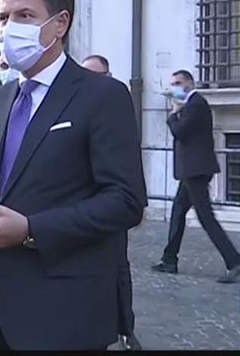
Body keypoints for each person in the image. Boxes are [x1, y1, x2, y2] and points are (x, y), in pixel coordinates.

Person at [0, 0, 147, 350]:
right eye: (3, 18)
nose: (9, 28)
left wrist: (31, 229)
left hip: (64, 310)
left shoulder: (103, 96)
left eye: (25, 15)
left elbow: (126, 201)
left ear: (60, 23)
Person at [151, 69, 240, 283]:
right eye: (172, 84)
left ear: (190, 83)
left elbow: (180, 132)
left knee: (205, 217)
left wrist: (173, 114)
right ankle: (169, 259)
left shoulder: (196, 104)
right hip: (191, 169)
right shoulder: (191, 104)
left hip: (196, 170)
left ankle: (235, 262)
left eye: (178, 83)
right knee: (178, 211)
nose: (174, 87)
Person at [80, 55, 140, 350]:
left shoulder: (115, 101)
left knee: (118, 269)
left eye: (96, 74)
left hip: (110, 205)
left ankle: (125, 328)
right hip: (82, 208)